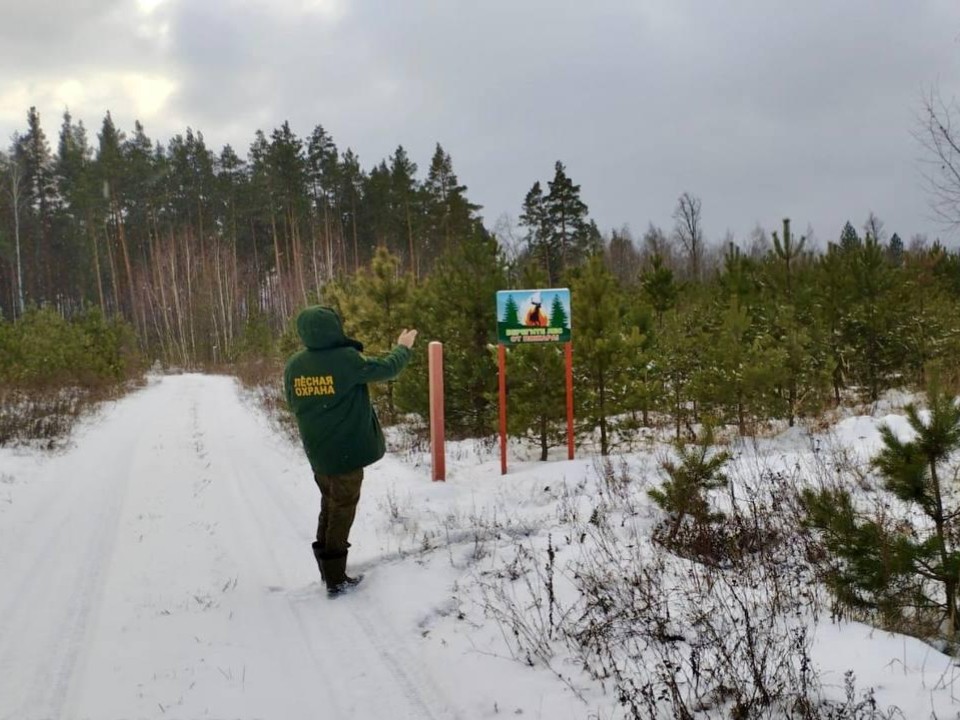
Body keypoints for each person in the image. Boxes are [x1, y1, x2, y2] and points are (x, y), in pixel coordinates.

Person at [284, 305, 418, 595]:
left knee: (329, 503)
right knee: (342, 509)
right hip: (345, 451)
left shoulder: (295, 364)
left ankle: (327, 570)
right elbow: (388, 369)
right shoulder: (345, 359)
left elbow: (292, 403)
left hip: (317, 450)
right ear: (334, 328)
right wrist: (403, 347)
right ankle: (336, 579)